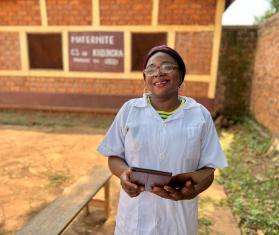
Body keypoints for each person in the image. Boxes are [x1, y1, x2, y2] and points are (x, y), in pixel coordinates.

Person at [97, 45, 227, 235]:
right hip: (135, 221)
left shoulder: (200, 115)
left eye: (167, 67)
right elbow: (114, 156)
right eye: (151, 69)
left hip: (178, 222)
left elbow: (208, 170)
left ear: (181, 76)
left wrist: (194, 190)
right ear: (145, 79)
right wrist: (124, 174)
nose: (158, 73)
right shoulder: (130, 111)